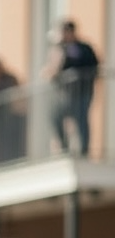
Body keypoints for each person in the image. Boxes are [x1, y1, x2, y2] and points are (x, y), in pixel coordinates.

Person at [44, 21, 100, 157]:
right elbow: (53, 69)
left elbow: (94, 66)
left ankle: (83, 151)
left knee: (81, 119)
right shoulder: (59, 49)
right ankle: (64, 148)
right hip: (63, 93)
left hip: (82, 92)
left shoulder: (84, 48)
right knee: (55, 117)